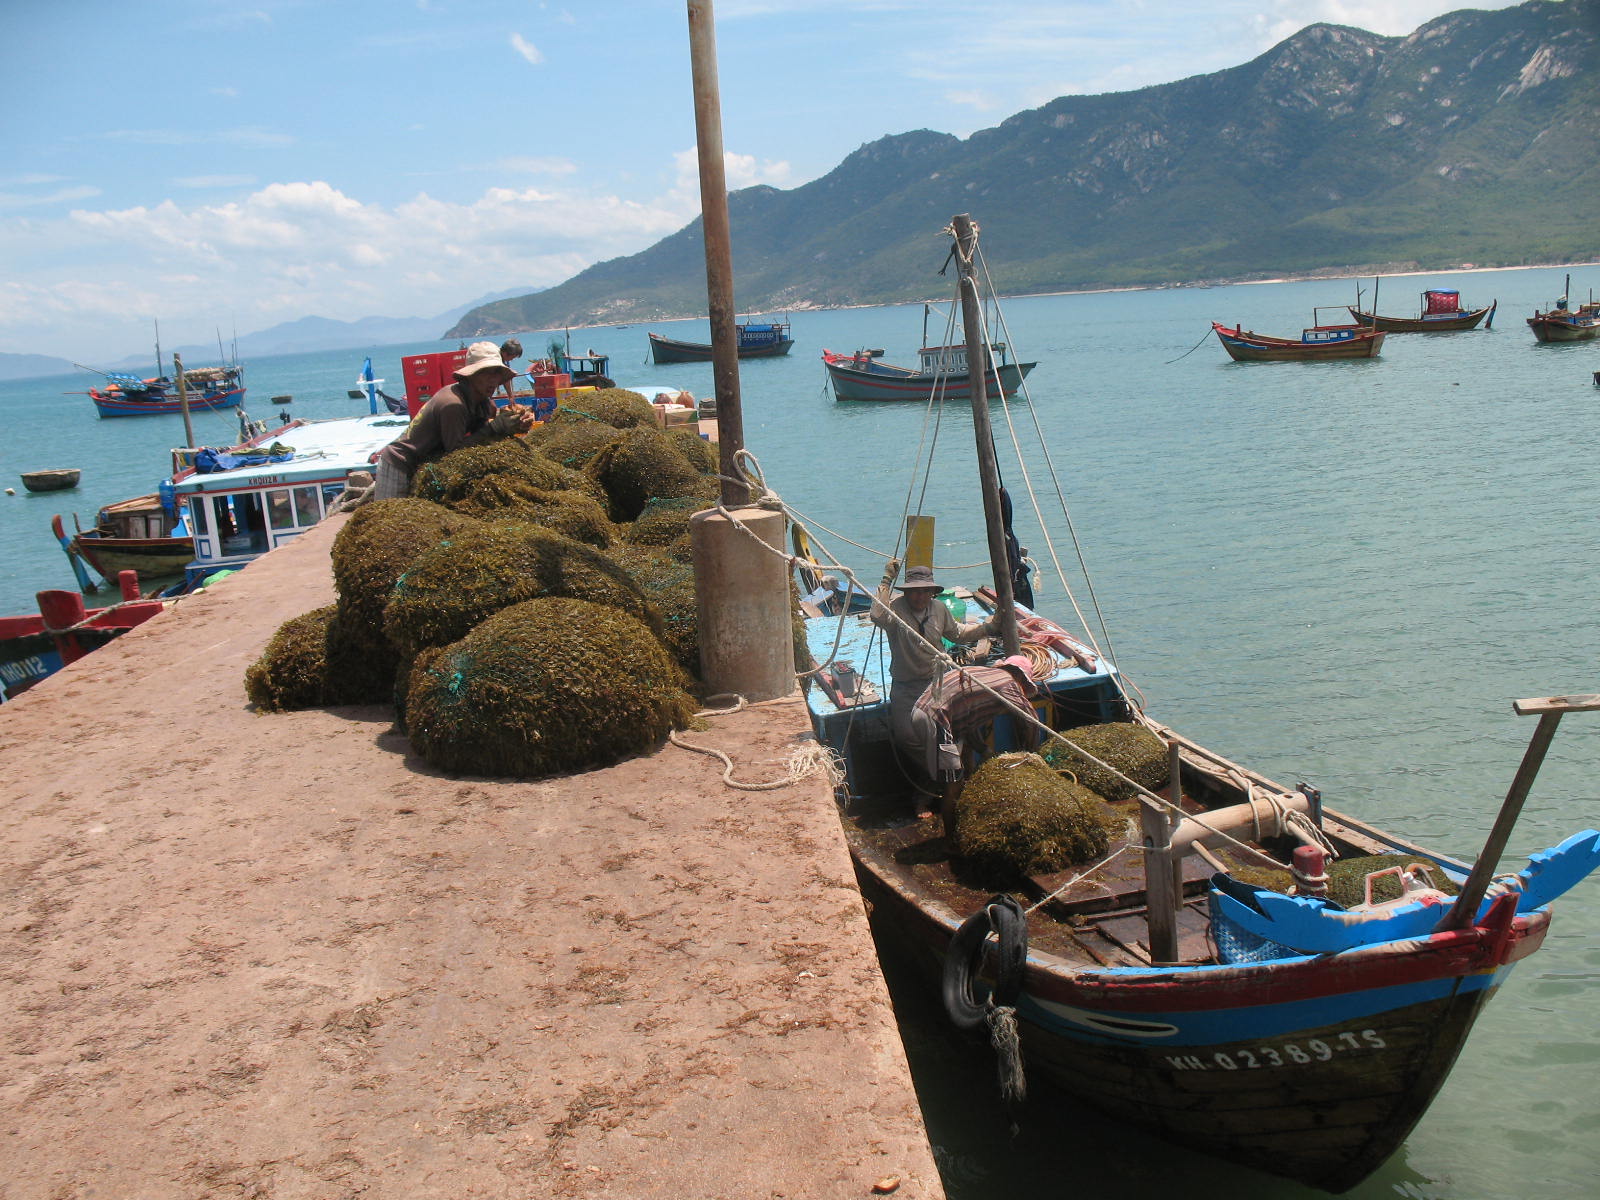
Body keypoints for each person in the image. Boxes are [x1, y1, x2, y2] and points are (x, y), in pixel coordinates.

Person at [869, 560, 999, 802]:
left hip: (937, 682)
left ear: (932, 592)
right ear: (906, 591)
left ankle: (943, 778)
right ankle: (939, 776)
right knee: (907, 736)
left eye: (925, 591)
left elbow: (958, 633)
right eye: (915, 591)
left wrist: (988, 628)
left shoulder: (938, 609)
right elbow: (876, 615)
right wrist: (887, 579)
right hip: (906, 686)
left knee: (954, 729)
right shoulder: (894, 609)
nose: (920, 596)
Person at [372, 341, 534, 501]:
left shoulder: (483, 401)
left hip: (425, 463)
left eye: (496, 373)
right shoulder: (453, 404)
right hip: (400, 463)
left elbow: (485, 436)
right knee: (393, 518)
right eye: (486, 373)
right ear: (471, 375)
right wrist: (494, 427)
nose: (493, 380)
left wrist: (519, 421)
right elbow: (455, 452)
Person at [912, 654, 1041, 831]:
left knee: (962, 757)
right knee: (953, 780)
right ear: (1019, 676)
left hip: (922, 711)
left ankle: (963, 810)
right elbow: (1031, 720)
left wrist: (984, 750)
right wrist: (1032, 757)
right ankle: (952, 841)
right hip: (936, 719)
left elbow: (966, 723)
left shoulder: (983, 675)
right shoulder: (1008, 682)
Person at [497, 338, 524, 403]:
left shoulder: (502, 358)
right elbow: (505, 375)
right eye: (512, 357)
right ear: (506, 353)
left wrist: (510, 396)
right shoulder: (495, 359)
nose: (511, 360)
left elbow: (506, 378)